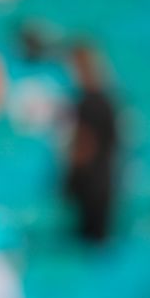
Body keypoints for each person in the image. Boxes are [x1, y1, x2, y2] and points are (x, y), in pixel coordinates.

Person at [63, 43, 119, 244]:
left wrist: (67, 183)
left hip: (90, 187)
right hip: (105, 184)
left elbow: (84, 147)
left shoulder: (88, 103)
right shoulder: (109, 100)